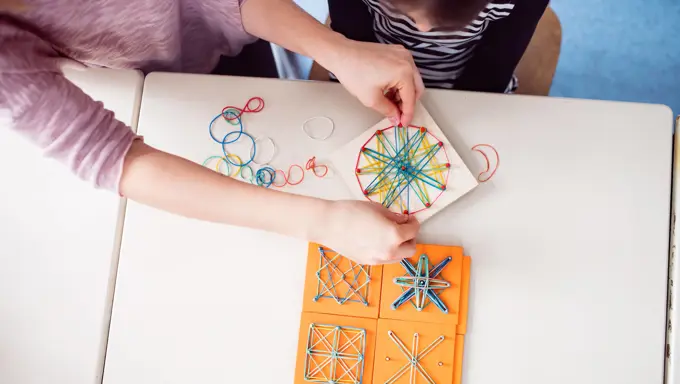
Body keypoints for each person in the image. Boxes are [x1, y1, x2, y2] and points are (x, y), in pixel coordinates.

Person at [0, 0, 425, 265]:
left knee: (262, 85)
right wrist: (325, 222)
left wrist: (335, 49)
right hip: (157, 85)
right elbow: (109, 157)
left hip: (232, 37)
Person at [328, 0, 549, 93]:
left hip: (469, 80)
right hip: (363, 65)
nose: (423, 29)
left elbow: (496, 64)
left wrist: (462, 101)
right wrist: (370, 76)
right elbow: (351, 36)